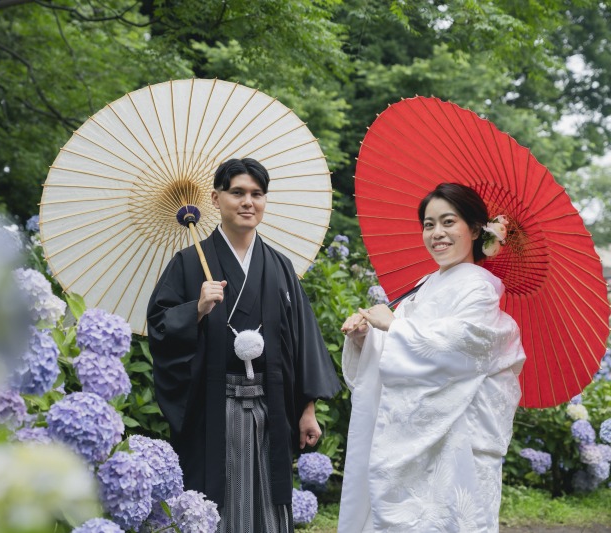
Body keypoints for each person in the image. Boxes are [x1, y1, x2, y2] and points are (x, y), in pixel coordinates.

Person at [148, 158, 341, 532]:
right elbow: (159, 327)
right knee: (215, 503)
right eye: (237, 192)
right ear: (216, 198)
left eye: (257, 194)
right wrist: (196, 310)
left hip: (272, 406)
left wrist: (307, 408)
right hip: (212, 410)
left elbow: (302, 339)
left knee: (268, 503)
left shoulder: (280, 266)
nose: (247, 202)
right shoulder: (188, 264)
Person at [337, 183, 526, 533]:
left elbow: (462, 348)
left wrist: (395, 327)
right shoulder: (424, 285)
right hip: (416, 429)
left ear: (474, 228)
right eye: (428, 224)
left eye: (448, 222)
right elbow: (396, 349)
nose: (437, 233)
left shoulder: (479, 288)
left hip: (457, 436)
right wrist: (366, 338)